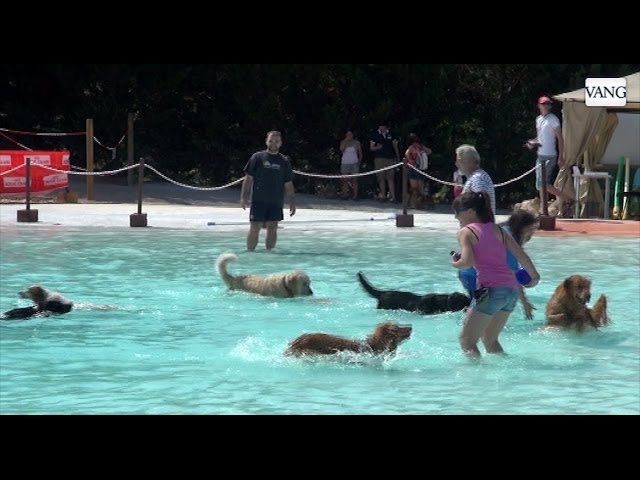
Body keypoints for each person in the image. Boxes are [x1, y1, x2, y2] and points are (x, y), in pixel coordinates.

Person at [451, 192, 540, 358]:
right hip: (511, 292)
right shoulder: (497, 229)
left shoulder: (465, 232)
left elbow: (468, 262)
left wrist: (455, 262)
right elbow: (521, 255)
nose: (456, 217)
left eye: (457, 212)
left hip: (491, 291)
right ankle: (507, 377)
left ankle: (476, 381)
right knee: (489, 340)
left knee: (467, 341)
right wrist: (534, 278)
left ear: (470, 211)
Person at [457, 209, 539, 320]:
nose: (531, 234)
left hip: (469, 272)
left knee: (482, 308)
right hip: (472, 274)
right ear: (522, 227)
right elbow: (512, 274)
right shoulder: (510, 238)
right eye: (531, 230)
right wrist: (525, 303)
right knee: (481, 311)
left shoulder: (504, 230)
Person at [240, 130, 296, 251]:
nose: (273, 143)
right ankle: (250, 253)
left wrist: (292, 202)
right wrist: (244, 197)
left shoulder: (284, 161)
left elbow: (288, 184)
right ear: (266, 141)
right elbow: (248, 179)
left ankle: (269, 255)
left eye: (276, 141)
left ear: (280, 143)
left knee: (272, 227)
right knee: (255, 227)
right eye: (271, 141)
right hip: (258, 200)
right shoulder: (257, 157)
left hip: (275, 201)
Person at [526, 96, 574, 208]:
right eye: (544, 104)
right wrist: (533, 142)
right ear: (539, 105)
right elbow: (540, 137)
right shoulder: (538, 119)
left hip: (550, 155)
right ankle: (544, 207)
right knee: (540, 184)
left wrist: (561, 156)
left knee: (543, 183)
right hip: (540, 154)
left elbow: (560, 138)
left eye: (548, 104)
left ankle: (567, 199)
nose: (546, 106)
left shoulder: (553, 119)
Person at [370, 123, 400, 202]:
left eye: (384, 126)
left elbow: (395, 146)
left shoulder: (390, 134)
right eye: (381, 126)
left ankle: (393, 197)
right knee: (381, 178)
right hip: (379, 159)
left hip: (390, 159)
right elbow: (371, 148)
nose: (382, 127)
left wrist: (397, 157)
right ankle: (383, 196)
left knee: (390, 178)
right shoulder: (375, 134)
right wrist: (378, 147)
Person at [404, 133, 432, 208]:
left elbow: (406, 154)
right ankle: (419, 204)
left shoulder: (411, 147)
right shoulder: (420, 147)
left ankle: (414, 204)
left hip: (413, 168)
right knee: (419, 188)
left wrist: (410, 161)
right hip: (421, 169)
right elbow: (429, 151)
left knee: (414, 189)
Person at [339, 130, 363, 200]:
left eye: (350, 134)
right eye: (347, 135)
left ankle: (355, 196)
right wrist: (346, 141)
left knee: (355, 180)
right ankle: (345, 195)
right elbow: (341, 150)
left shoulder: (357, 143)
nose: (349, 136)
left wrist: (359, 162)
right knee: (345, 180)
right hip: (345, 163)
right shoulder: (343, 142)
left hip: (354, 163)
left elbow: (360, 154)